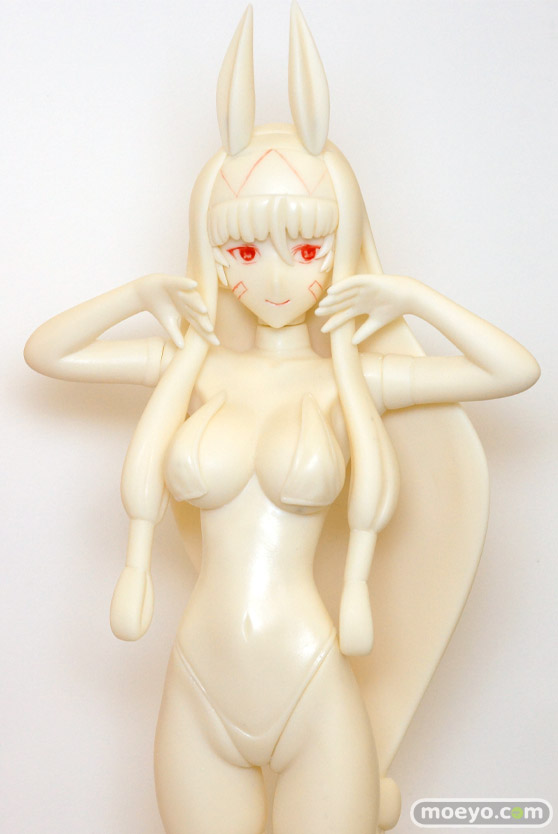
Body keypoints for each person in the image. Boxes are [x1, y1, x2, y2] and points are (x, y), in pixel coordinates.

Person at [24, 6, 539, 834]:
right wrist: (138, 295)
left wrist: (410, 296)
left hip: (311, 687)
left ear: (342, 244)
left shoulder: (351, 381)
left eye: (305, 250)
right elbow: (46, 352)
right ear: (213, 250)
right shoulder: (194, 371)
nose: (272, 278)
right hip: (198, 686)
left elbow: (513, 371)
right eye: (242, 250)